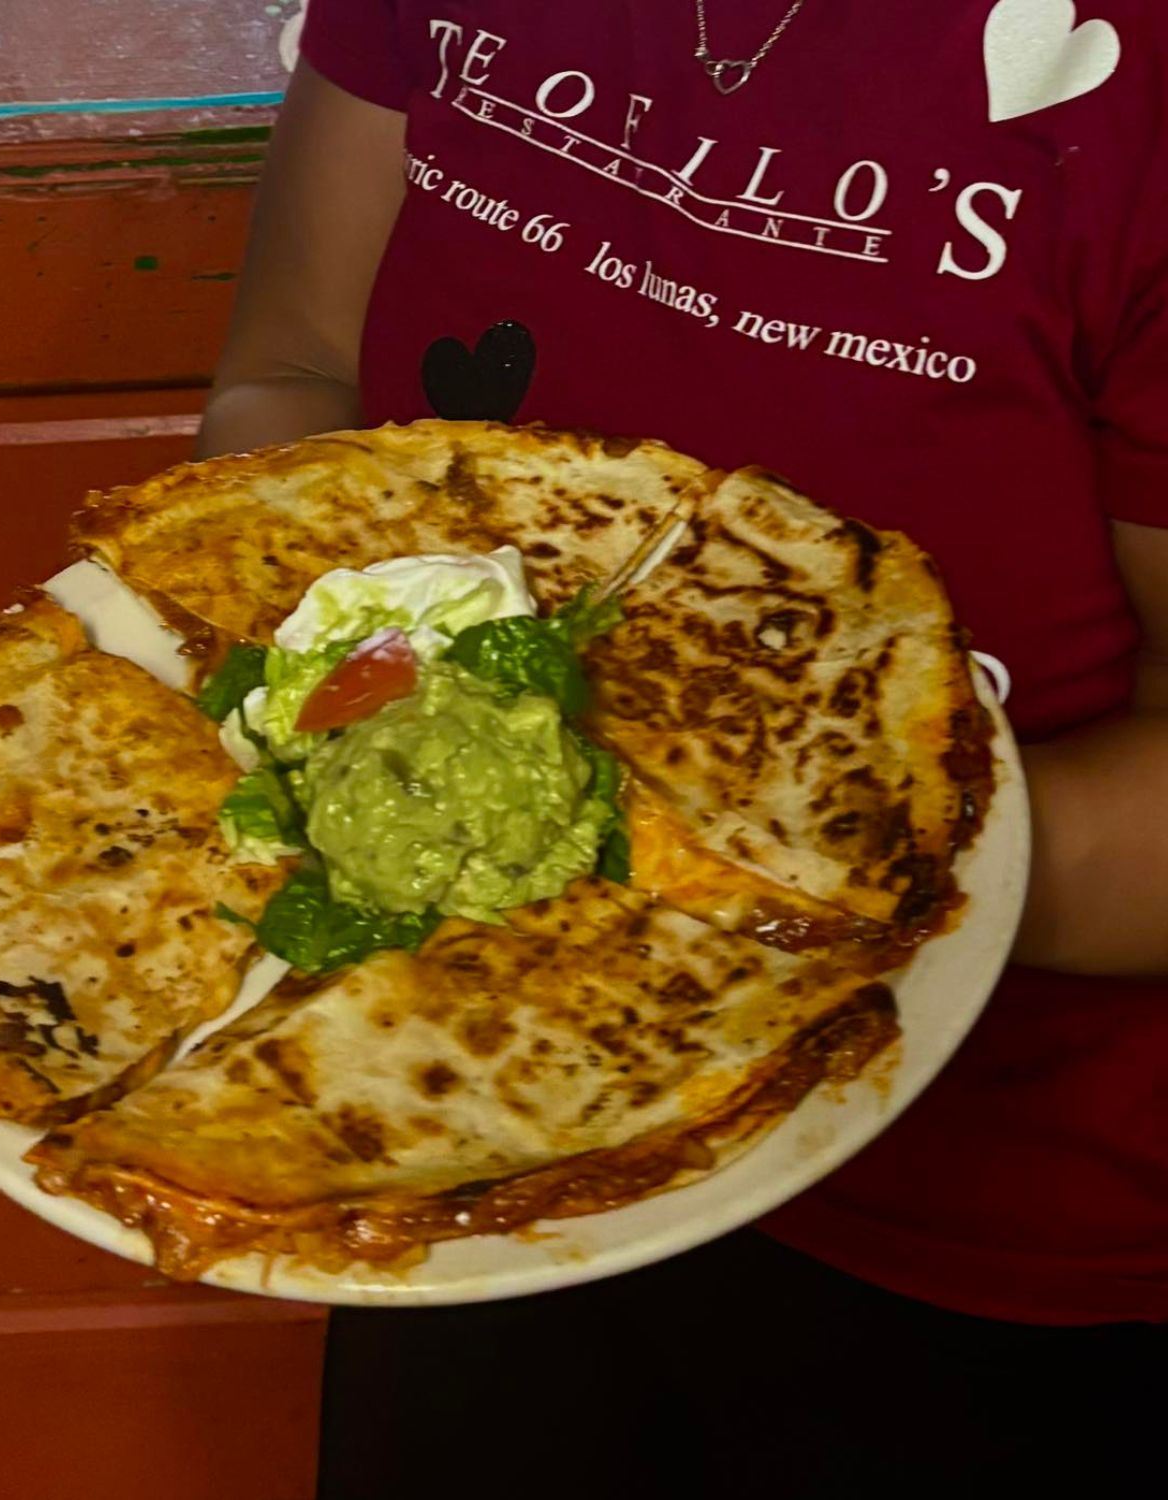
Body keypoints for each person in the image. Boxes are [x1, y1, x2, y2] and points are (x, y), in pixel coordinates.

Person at [198, 3, 1166, 1494]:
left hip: (978, 1232)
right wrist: (335, 719)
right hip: (445, 1109)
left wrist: (688, 889)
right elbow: (298, 374)